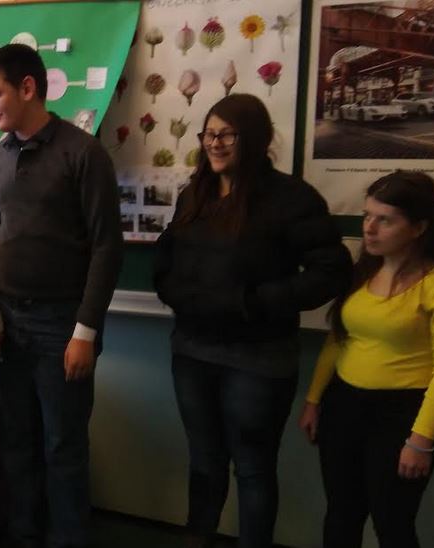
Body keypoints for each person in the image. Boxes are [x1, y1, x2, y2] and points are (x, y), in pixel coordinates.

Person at [0, 44, 123, 548]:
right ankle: (24, 535)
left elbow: (107, 247)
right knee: (16, 441)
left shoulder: (84, 154)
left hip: (63, 325)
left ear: (28, 88)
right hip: (6, 321)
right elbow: (1, 231)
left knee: (62, 447)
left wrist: (85, 331)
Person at [152, 94, 351, 548]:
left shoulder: (290, 198)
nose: (214, 143)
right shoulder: (195, 194)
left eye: (226, 134)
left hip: (258, 359)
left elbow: (332, 270)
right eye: (208, 134)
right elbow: (166, 258)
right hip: (192, 351)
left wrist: (254, 302)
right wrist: (172, 291)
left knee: (253, 468)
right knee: (204, 461)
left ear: (255, 138)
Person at [298, 171, 434, 548]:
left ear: (418, 227)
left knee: (393, 523)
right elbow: (339, 339)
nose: (368, 228)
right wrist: (313, 400)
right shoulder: (364, 271)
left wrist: (420, 441)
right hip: (343, 407)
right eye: (367, 215)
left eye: (384, 220)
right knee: (341, 514)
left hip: (400, 416)